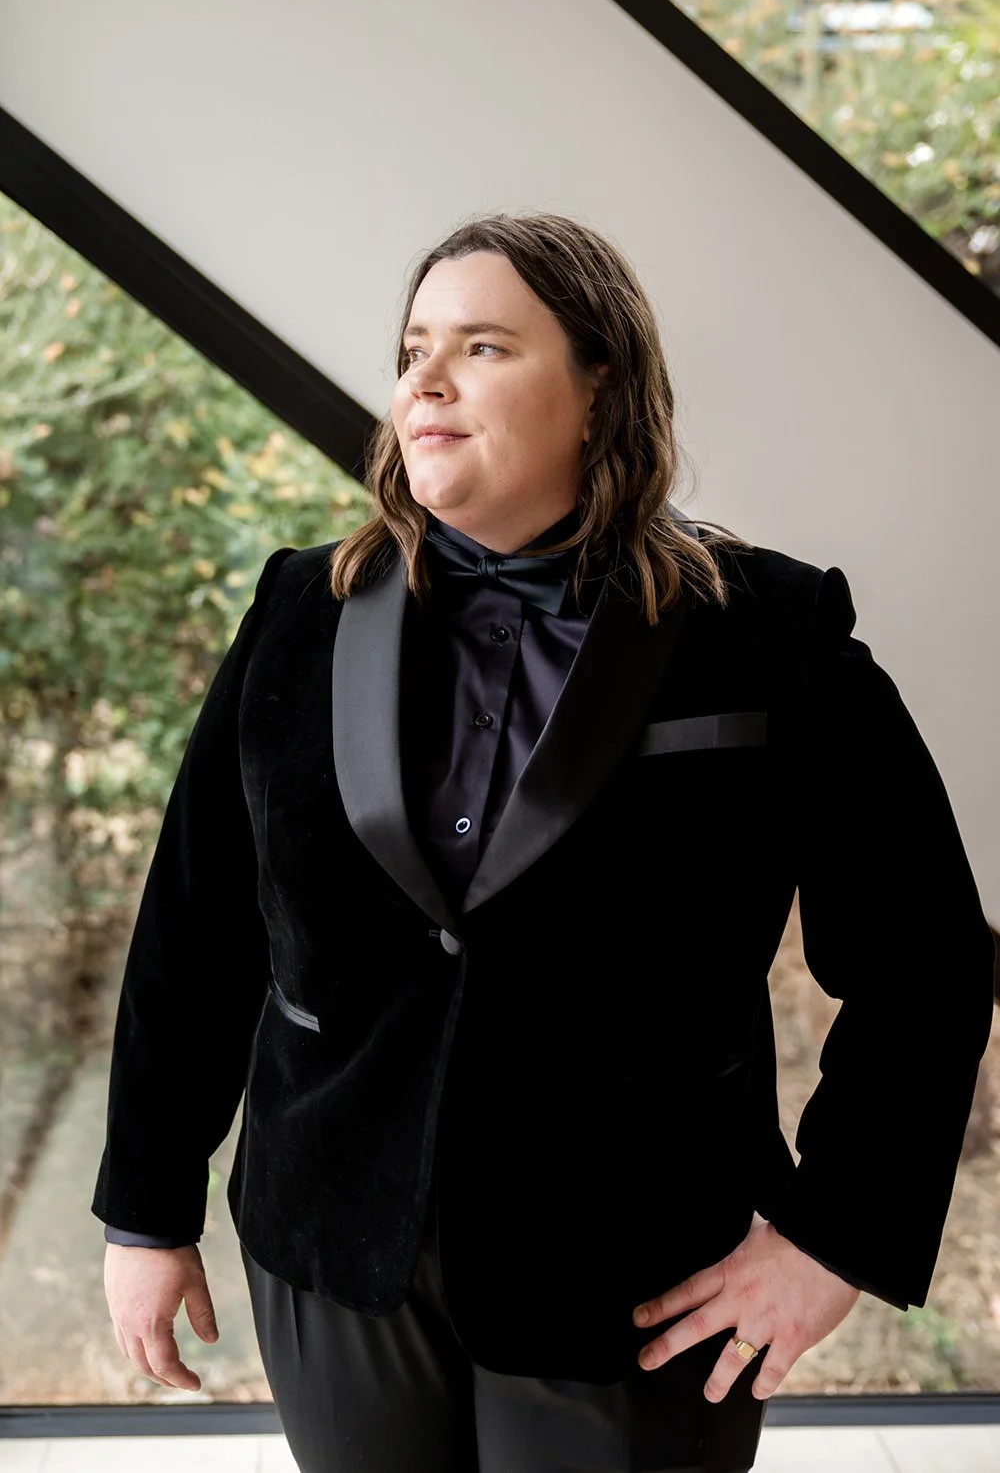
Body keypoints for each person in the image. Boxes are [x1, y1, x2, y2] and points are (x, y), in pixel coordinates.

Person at [94, 212, 996, 1473]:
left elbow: (926, 958)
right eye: (414, 348)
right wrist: (144, 1211)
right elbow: (195, 929)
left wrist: (830, 1240)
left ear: (599, 383)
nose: (424, 380)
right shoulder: (301, 611)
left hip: (635, 1269)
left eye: (482, 346)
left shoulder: (769, 635)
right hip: (335, 1243)